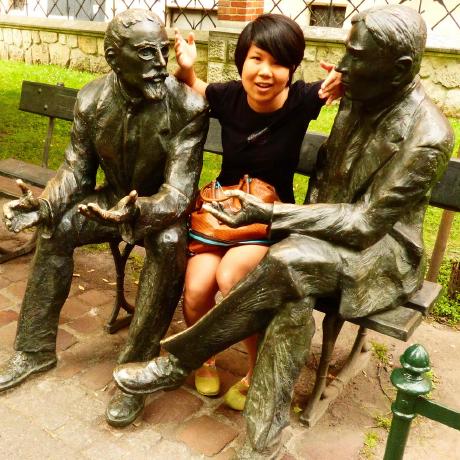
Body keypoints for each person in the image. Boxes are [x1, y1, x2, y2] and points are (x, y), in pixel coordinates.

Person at [113, 5, 454, 458]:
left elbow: (366, 223)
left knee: (290, 262)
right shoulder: (360, 94)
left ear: (399, 67)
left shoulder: (429, 134)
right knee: (291, 295)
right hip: (317, 230)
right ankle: (262, 440)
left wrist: (274, 215)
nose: (343, 66)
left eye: (354, 56)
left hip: (380, 250)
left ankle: (179, 359)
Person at [0, 9, 208, 429]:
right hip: (109, 200)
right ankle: (34, 350)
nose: (161, 64)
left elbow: (179, 193)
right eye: (147, 53)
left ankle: (135, 374)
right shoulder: (92, 99)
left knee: (169, 246)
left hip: (159, 211)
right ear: (114, 58)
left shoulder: (188, 108)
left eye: (163, 51)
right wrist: (45, 205)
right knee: (57, 229)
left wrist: (140, 210)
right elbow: (76, 169)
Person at [174, 13, 342, 409]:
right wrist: (186, 67)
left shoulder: (302, 100)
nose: (266, 72)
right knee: (197, 287)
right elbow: (193, 85)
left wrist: (346, 78)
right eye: (257, 59)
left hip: (269, 218)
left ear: (292, 69)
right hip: (221, 215)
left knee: (232, 277)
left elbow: (351, 86)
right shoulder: (228, 96)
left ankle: (256, 370)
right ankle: (205, 358)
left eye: (279, 63)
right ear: (241, 61)